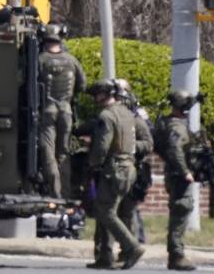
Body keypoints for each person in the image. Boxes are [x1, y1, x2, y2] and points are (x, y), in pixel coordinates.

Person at [86, 79, 145, 270]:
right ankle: (106, 257)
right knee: (113, 211)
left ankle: (132, 246)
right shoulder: (128, 114)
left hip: (114, 169)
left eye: (96, 95)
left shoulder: (106, 116)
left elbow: (102, 146)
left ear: (104, 95)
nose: (95, 98)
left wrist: (92, 162)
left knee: (106, 212)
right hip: (128, 168)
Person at [154, 90, 200, 271]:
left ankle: (176, 253)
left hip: (175, 174)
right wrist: (185, 171)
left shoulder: (170, 122)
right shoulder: (177, 126)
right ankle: (177, 255)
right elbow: (174, 149)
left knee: (180, 212)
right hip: (179, 176)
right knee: (181, 212)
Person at [38, 23, 86, 198]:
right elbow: (82, 85)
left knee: (48, 151)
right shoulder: (72, 61)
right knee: (63, 152)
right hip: (66, 111)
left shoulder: (40, 60)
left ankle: (54, 192)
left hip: (47, 112)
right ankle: (65, 193)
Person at [111, 79, 153, 261]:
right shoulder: (113, 115)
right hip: (115, 168)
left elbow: (148, 143)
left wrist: (128, 145)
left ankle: (135, 242)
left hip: (135, 167)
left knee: (129, 209)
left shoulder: (138, 117)